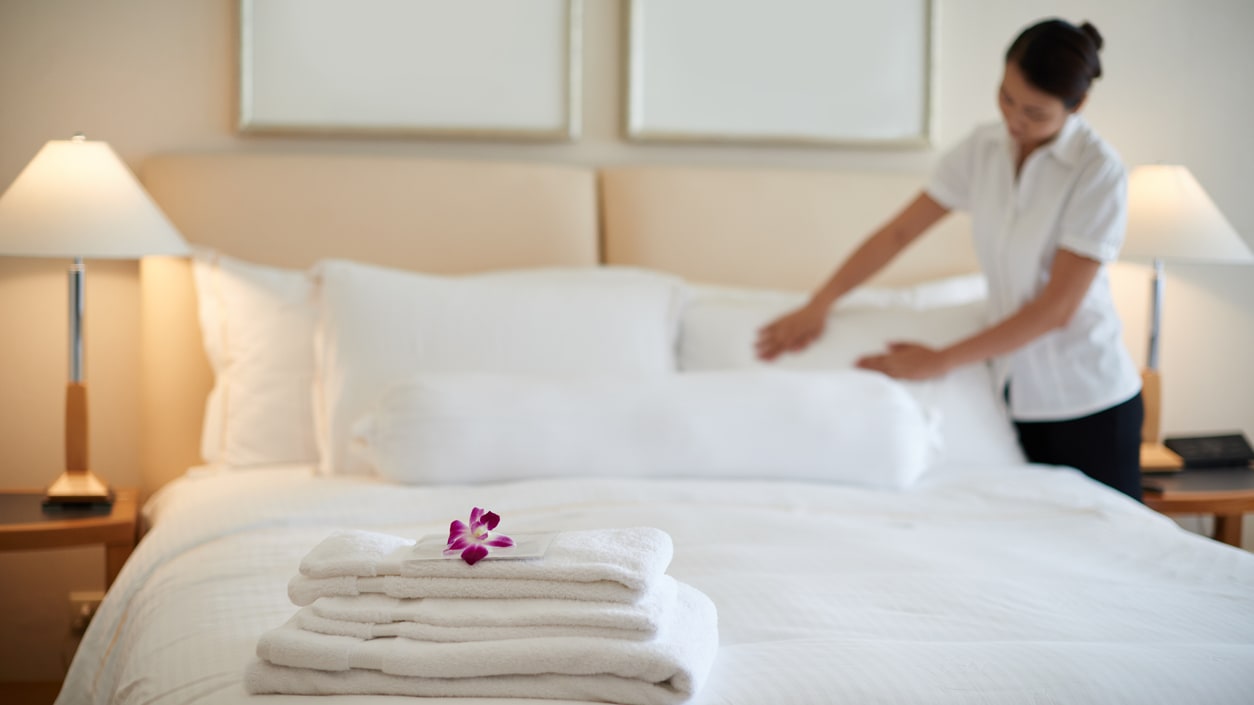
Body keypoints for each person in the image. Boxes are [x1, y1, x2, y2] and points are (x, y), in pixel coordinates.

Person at [755, 18, 1144, 501]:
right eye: (1006, 98)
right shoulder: (983, 149)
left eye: (1035, 113)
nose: (1015, 121)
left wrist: (937, 361)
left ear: (1077, 106)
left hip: (1089, 402)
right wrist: (820, 303)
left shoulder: (1098, 173)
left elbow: (1056, 309)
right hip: (1015, 401)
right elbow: (898, 233)